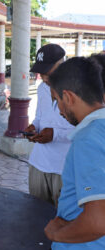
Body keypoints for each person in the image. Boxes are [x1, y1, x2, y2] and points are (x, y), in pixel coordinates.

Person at [44, 57, 105, 249]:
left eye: (56, 100)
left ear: (68, 97)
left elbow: (97, 222)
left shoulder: (88, 139)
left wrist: (57, 234)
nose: (59, 110)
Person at [24, 44, 74, 206]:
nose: (44, 77)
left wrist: (55, 134)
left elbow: (85, 128)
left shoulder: (78, 91)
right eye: (41, 71)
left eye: (48, 71)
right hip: (39, 164)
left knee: (64, 219)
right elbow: (40, 117)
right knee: (36, 215)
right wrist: (34, 127)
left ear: (63, 65)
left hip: (65, 169)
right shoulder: (42, 89)